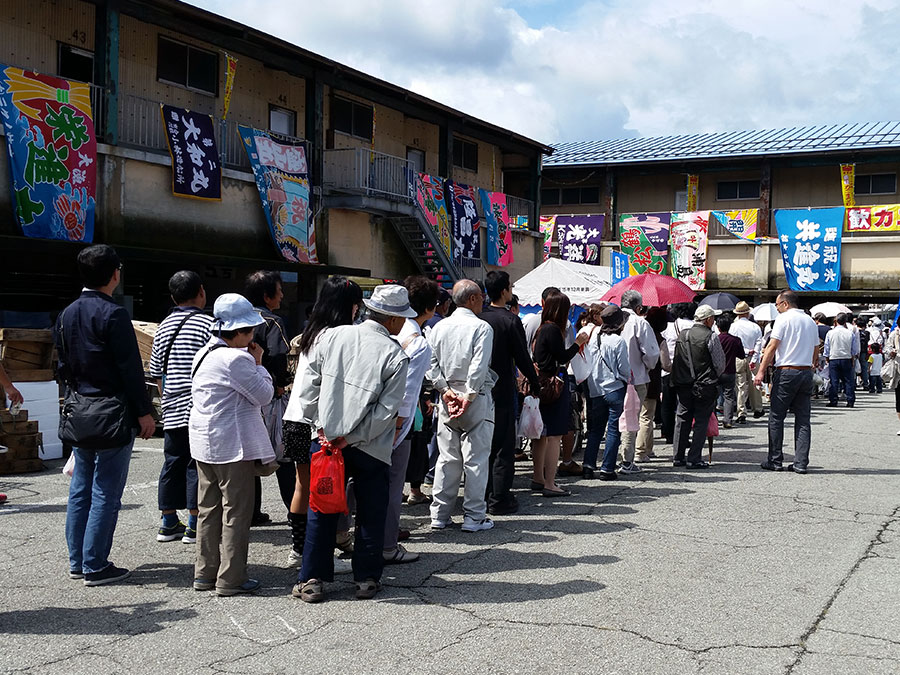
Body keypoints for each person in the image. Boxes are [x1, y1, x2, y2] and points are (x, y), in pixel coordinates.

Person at [293, 284, 410, 603]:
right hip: (370, 446)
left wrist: (320, 426)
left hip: (326, 440)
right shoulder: (395, 355)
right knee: (371, 511)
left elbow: (308, 387)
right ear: (394, 320)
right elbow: (386, 412)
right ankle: (366, 579)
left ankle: (312, 579)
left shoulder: (331, 337)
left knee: (322, 507)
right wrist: (353, 436)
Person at [55, 245, 155, 586]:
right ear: (115, 274)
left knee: (81, 488)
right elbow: (130, 370)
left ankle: (77, 560)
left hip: (80, 409)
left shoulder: (67, 313)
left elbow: (62, 366)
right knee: (106, 491)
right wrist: (145, 412)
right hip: (112, 411)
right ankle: (95, 563)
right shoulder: (113, 315)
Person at [189, 294, 275, 596]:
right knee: (236, 511)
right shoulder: (238, 359)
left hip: (204, 442)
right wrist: (260, 363)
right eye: (250, 330)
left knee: (208, 509)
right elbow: (264, 394)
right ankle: (231, 577)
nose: (252, 336)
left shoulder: (205, 353)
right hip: (232, 445)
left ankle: (204, 573)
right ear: (238, 332)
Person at [282, 276, 363, 570]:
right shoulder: (338, 337)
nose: (358, 310)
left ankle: (298, 550)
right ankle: (318, 555)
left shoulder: (311, 333)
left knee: (304, 487)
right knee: (325, 489)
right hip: (318, 423)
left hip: (294, 418)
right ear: (349, 306)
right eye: (356, 305)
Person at [149, 270, 213, 544]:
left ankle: (167, 520)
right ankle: (194, 523)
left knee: (172, 461)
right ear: (201, 291)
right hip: (199, 405)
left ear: (173, 297)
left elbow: (155, 370)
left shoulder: (162, 326)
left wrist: (166, 400)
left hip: (172, 404)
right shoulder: (208, 325)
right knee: (196, 464)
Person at [428, 279, 498, 528]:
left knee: (447, 459)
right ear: (472, 299)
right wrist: (468, 396)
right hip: (474, 397)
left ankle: (439, 515)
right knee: (476, 459)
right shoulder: (481, 328)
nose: (483, 300)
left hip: (447, 397)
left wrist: (445, 390)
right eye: (481, 296)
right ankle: (474, 515)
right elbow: (479, 366)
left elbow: (431, 364)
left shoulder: (439, 327)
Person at [383, 275, 439, 564]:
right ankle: (387, 543)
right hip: (395, 421)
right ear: (430, 308)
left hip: (370, 415)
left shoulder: (389, 330)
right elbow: (406, 389)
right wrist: (398, 425)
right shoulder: (417, 342)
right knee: (393, 485)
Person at [480, 271, 539, 515]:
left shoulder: (479, 316)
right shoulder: (509, 320)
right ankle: (499, 498)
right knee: (503, 444)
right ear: (504, 290)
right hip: (502, 387)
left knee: (482, 446)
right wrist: (534, 382)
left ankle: (481, 494)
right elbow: (522, 357)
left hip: (478, 388)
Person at [246, 270, 293, 526]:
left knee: (251, 455)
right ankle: (295, 510)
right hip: (271, 394)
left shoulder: (240, 321)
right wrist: (280, 383)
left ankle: (252, 512)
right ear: (267, 296)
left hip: (245, 397)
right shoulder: (272, 321)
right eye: (279, 290)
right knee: (287, 455)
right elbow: (278, 354)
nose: (282, 294)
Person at [531, 290, 590, 495]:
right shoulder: (554, 330)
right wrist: (578, 343)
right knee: (555, 435)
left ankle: (538, 477)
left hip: (540, 384)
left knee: (540, 435)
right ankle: (550, 483)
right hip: (554, 385)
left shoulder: (541, 329)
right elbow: (562, 357)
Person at [754, 290, 819, 474]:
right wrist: (812, 362)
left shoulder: (783, 319)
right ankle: (800, 462)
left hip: (786, 372)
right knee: (803, 419)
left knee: (776, 416)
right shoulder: (810, 321)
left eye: (777, 305)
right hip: (805, 372)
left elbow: (772, 346)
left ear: (785, 304)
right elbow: (816, 349)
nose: (776, 308)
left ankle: (775, 460)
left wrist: (760, 372)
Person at [670, 305, 725, 469]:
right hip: (705, 385)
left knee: (682, 419)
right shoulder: (711, 336)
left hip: (683, 384)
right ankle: (694, 458)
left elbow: (677, 359)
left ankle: (678, 457)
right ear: (708, 319)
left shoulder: (683, 334)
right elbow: (719, 363)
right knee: (701, 420)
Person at [583, 305, 630, 480]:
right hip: (615, 388)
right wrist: (626, 378)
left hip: (596, 388)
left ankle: (588, 465)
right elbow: (624, 368)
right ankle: (607, 468)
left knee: (595, 429)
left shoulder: (593, 339)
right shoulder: (618, 342)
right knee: (613, 430)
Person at [618, 290, 660, 473]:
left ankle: (610, 459)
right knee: (631, 419)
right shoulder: (639, 322)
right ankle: (627, 460)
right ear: (638, 307)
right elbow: (651, 353)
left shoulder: (611, 320)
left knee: (612, 420)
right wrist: (648, 366)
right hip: (635, 377)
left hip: (609, 378)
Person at [636, 307, 669, 461]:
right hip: (652, 381)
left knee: (637, 416)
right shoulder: (659, 339)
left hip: (635, 379)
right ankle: (640, 451)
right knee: (646, 417)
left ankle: (648, 449)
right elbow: (665, 364)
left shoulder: (640, 333)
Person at [660, 303, 695, 443]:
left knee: (667, 404)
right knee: (684, 404)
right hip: (686, 369)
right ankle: (682, 436)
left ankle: (668, 433)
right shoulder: (693, 326)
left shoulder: (668, 327)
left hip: (668, 368)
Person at [729, 302, 764, 423]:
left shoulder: (733, 327)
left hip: (738, 358)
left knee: (740, 386)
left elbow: (733, 343)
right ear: (748, 313)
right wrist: (754, 358)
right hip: (752, 357)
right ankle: (757, 408)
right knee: (755, 384)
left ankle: (741, 411)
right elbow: (759, 344)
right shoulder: (755, 327)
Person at [716, 314, 745, 429]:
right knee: (729, 396)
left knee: (714, 396)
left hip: (717, 371)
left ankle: (713, 419)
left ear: (718, 327)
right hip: (730, 370)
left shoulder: (715, 339)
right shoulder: (735, 340)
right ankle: (727, 420)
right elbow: (741, 355)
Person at [823, 313, 859, 408]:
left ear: (836, 321)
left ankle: (833, 400)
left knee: (834, 381)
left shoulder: (830, 333)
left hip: (833, 358)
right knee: (848, 380)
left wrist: (827, 357)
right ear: (845, 321)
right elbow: (854, 349)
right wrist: (853, 358)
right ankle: (850, 400)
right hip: (846, 358)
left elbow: (827, 347)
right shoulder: (850, 333)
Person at [856, 317, 871, 391]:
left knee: (854, 367)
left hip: (855, 352)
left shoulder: (854, 331)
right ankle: (865, 384)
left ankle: (854, 384)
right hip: (864, 351)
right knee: (864, 368)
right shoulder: (867, 333)